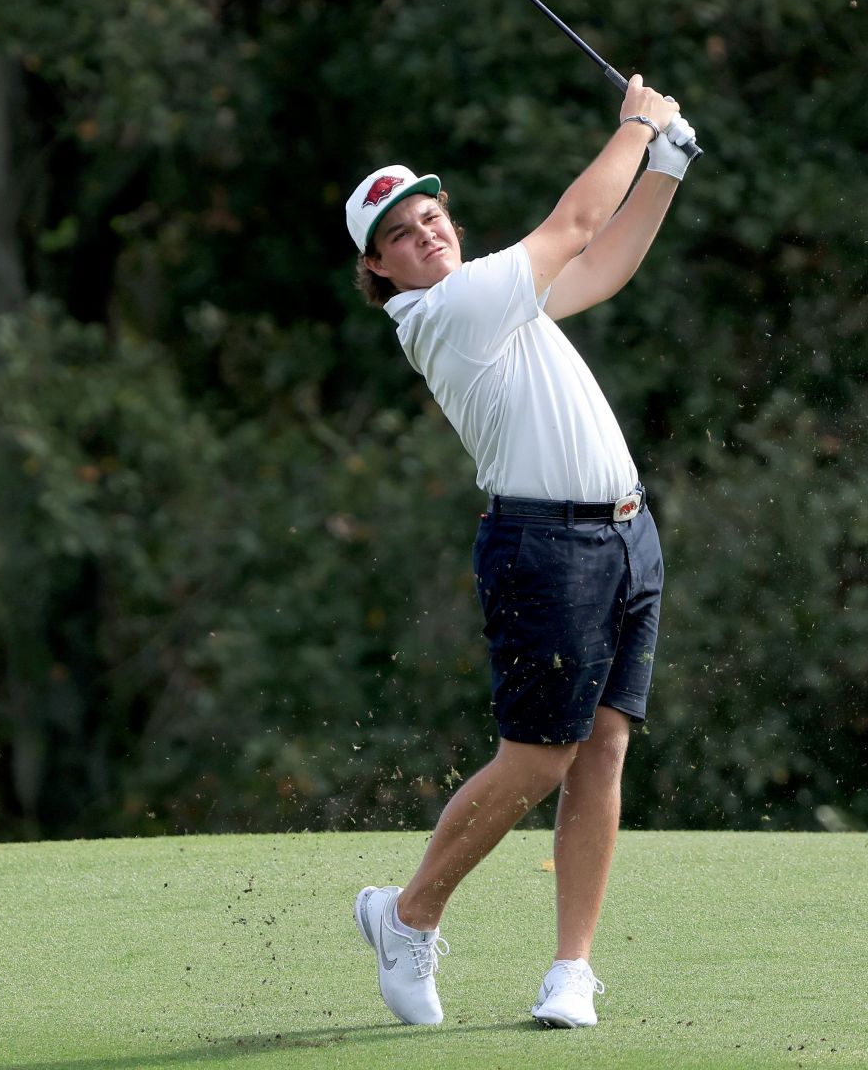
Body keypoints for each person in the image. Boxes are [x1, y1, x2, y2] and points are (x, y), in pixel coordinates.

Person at [345, 75, 697, 1029]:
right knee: (539, 759)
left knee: (604, 751)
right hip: (545, 548)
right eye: (401, 236)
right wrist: (634, 125)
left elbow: (603, 264)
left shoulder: (499, 299)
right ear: (381, 272)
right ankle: (408, 917)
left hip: (627, 534)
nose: (427, 234)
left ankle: (570, 971)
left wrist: (663, 166)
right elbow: (578, 221)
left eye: (431, 215)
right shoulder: (445, 315)